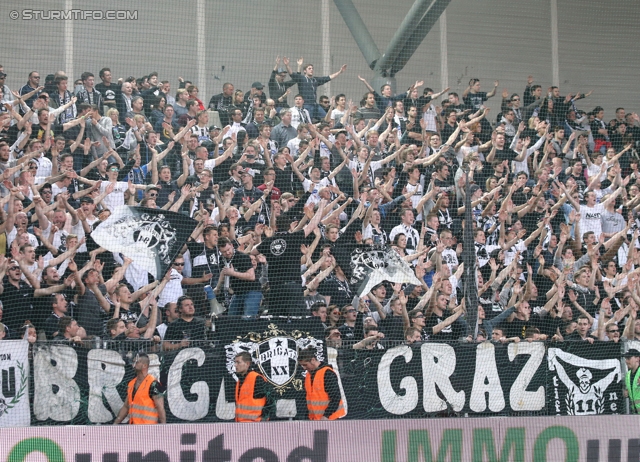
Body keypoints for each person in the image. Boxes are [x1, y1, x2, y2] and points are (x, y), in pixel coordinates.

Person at [113, 353, 166, 424]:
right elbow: (126, 407)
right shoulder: (131, 383)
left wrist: (164, 427)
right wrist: (116, 423)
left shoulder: (153, 384)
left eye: (137, 362)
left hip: (148, 428)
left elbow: (160, 408)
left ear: (144, 365)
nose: (134, 364)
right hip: (134, 427)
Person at [298, 347, 345, 421]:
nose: (304, 368)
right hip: (315, 419)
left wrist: (326, 415)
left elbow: (336, 397)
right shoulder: (308, 375)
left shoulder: (327, 373)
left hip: (331, 418)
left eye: (305, 365)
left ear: (313, 360)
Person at [233, 352, 268, 422]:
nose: (235, 365)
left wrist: (264, 419)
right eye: (235, 362)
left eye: (238, 362)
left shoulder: (257, 378)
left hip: (255, 424)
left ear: (247, 364)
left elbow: (270, 400)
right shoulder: (240, 381)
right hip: (241, 423)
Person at [624, 349, 640, 414]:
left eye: (629, 358)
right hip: (635, 413)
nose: (627, 361)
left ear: (637, 358)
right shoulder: (628, 375)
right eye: (626, 358)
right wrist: (626, 392)